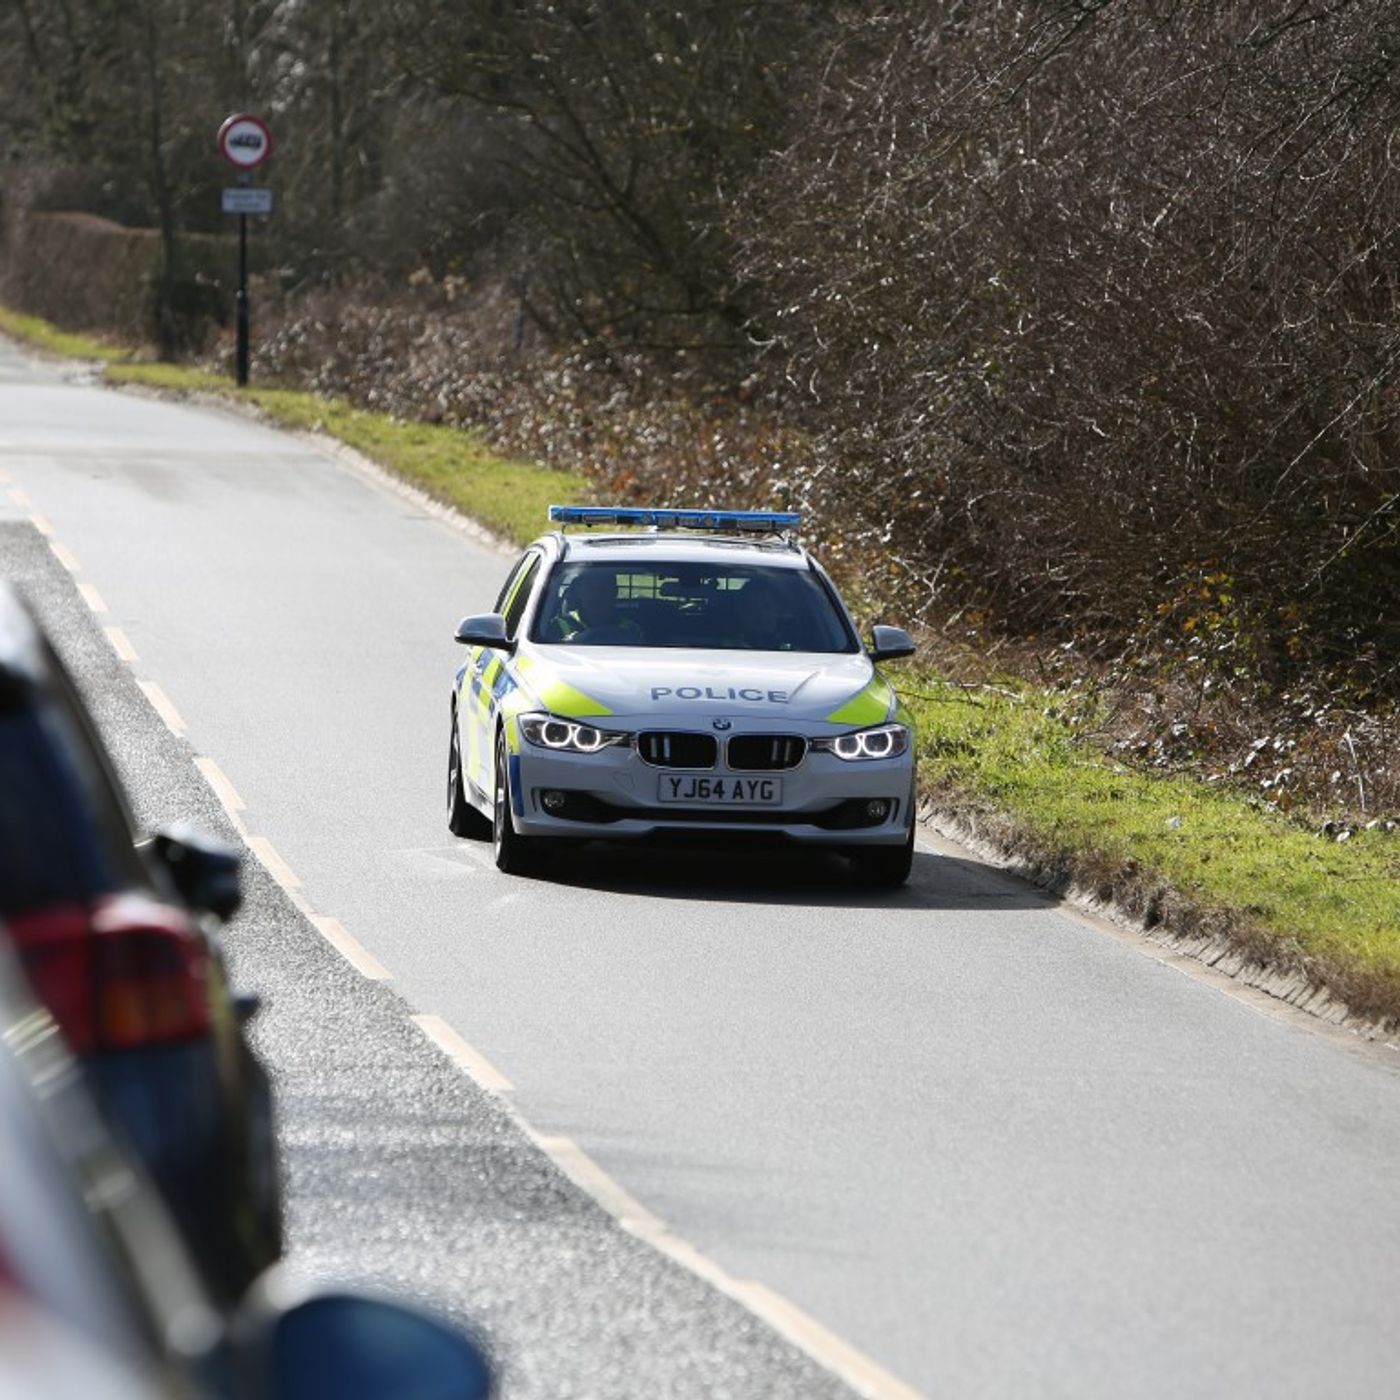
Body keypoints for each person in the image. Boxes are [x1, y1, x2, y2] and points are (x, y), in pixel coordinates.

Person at [558, 569, 642, 644]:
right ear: (579, 591)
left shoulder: (631, 629)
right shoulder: (559, 625)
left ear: (615, 592)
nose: (597, 595)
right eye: (590, 588)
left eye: (603, 588)